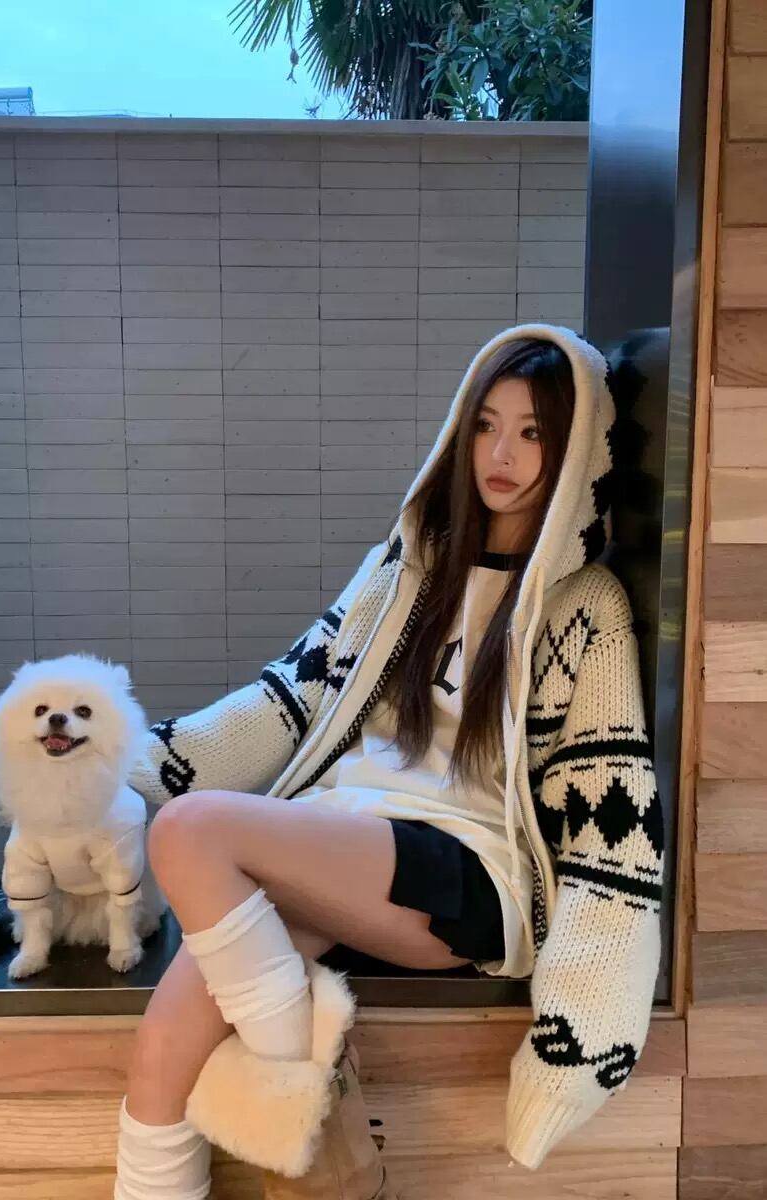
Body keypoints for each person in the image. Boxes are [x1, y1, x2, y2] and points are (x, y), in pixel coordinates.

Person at [115, 324, 665, 1200]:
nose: (502, 455)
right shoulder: (409, 570)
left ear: (574, 450)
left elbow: (615, 827)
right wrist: (118, 758)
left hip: (463, 874)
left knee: (188, 832)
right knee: (164, 1045)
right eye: (486, 425)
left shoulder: (582, 606)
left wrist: (579, 1039)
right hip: (347, 841)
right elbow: (289, 697)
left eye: (533, 433)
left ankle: (293, 1068)